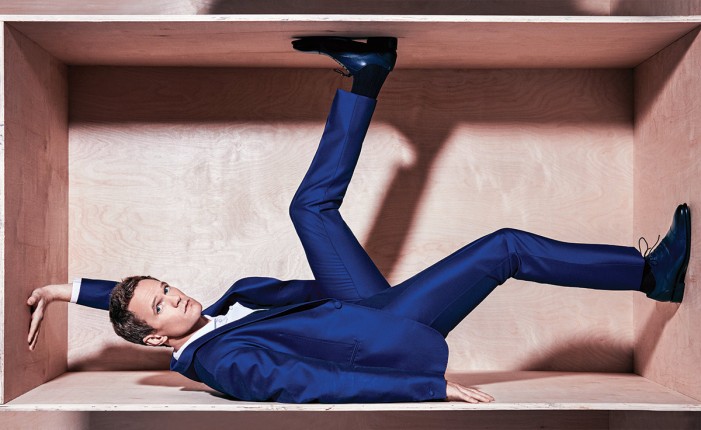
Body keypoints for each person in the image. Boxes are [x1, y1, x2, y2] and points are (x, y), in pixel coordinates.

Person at [27, 37, 691, 404]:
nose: (176, 296)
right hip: (383, 335)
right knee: (505, 247)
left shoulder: (202, 319)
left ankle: (368, 74)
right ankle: (649, 276)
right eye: (163, 305)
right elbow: (312, 384)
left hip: (355, 306)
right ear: (154, 338)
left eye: (167, 286)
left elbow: (130, 300)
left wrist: (67, 290)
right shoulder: (224, 362)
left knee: (308, 208)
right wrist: (427, 388)